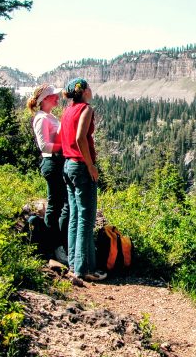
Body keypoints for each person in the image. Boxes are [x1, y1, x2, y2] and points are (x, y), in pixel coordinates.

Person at [60, 78, 106, 282]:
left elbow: (66, 136)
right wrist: (90, 165)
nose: (91, 89)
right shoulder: (86, 109)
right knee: (86, 219)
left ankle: (73, 264)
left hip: (67, 165)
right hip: (80, 166)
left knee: (75, 216)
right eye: (89, 87)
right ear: (85, 91)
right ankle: (84, 269)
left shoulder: (67, 110)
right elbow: (80, 138)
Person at [27, 84, 69, 264]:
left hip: (57, 162)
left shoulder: (49, 116)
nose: (57, 97)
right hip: (52, 162)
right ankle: (55, 246)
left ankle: (58, 244)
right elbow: (44, 146)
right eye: (53, 96)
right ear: (45, 99)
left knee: (61, 203)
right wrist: (66, 147)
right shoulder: (41, 118)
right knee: (56, 205)